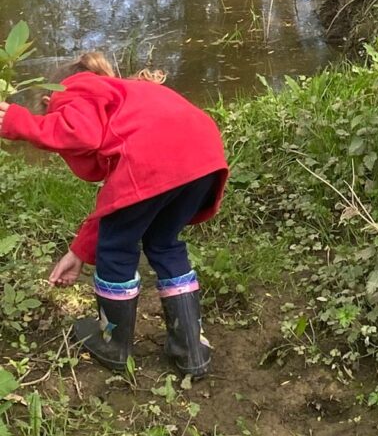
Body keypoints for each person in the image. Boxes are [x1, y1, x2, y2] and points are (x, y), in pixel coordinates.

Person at [0, 52, 228, 378]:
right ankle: (192, 350)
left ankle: (114, 345)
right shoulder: (125, 96)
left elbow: (82, 133)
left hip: (155, 159)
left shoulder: (75, 88)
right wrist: (78, 252)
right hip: (203, 156)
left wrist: (21, 123)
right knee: (163, 243)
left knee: (116, 248)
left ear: (52, 98)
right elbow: (117, 200)